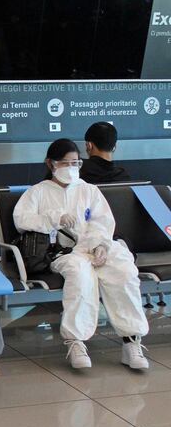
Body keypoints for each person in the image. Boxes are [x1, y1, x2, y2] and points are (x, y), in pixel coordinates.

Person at [13, 139, 149, 370]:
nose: (71, 168)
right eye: (64, 163)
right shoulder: (37, 192)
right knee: (80, 275)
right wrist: (54, 219)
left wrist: (101, 245)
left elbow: (103, 222)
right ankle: (76, 341)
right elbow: (22, 220)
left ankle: (131, 341)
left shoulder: (89, 190)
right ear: (50, 163)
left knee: (124, 271)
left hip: (95, 247)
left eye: (75, 162)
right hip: (63, 252)